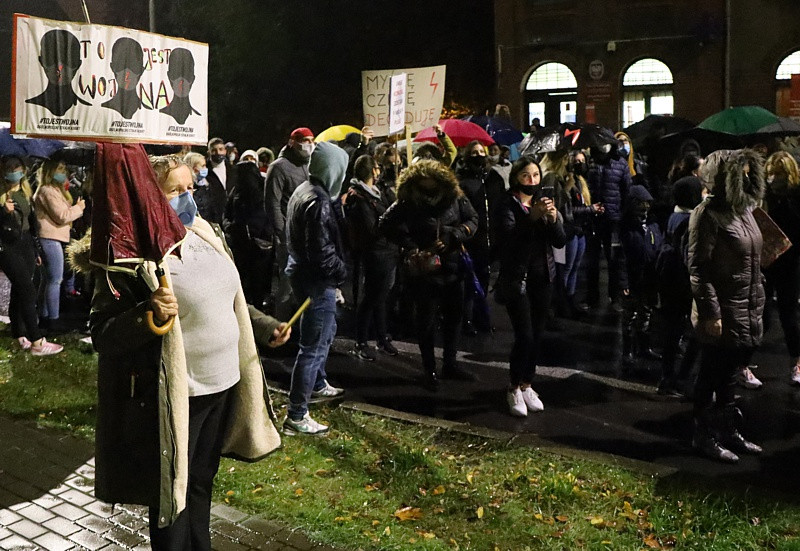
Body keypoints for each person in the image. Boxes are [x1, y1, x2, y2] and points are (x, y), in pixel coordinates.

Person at [86, 154, 291, 550]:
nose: (187, 197)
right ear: (149, 197)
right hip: (181, 397)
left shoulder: (204, 231)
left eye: (189, 187)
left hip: (224, 384)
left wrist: (265, 327)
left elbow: (229, 296)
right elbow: (103, 333)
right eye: (174, 190)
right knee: (172, 498)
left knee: (200, 483)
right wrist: (149, 314)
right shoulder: (129, 254)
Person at [688, 149, 765, 463]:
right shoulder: (706, 214)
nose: (745, 176)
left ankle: (728, 431)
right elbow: (698, 269)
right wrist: (710, 312)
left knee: (730, 374)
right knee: (711, 374)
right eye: (739, 172)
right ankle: (703, 435)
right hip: (722, 308)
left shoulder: (743, 210)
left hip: (745, 304)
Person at [380, 160, 479, 389]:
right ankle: (429, 369)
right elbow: (384, 224)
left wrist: (454, 235)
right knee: (426, 320)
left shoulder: (454, 195)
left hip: (453, 267)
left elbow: (473, 220)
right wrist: (410, 245)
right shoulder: (408, 200)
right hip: (425, 270)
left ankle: (450, 364)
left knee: (454, 317)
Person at [492, 157, 566, 416]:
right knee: (524, 335)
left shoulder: (543, 204)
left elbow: (559, 242)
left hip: (543, 277)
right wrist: (530, 219)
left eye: (536, 175)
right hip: (517, 279)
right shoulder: (507, 204)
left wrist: (554, 219)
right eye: (526, 175)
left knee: (537, 334)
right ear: (516, 178)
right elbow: (508, 242)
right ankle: (513, 387)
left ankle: (527, 384)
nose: (532, 181)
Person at [284, 141, 348, 435]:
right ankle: (296, 415)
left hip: (302, 273)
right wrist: (341, 273)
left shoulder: (306, 190)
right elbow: (322, 252)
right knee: (312, 346)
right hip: (316, 280)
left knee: (324, 333)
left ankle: (319, 383)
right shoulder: (319, 201)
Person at [0, 157, 62, 355]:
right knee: (27, 291)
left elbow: (30, 222)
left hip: (25, 242)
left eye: (17, 169)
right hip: (6, 246)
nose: (14, 173)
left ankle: (19, 333)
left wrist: (36, 250)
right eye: (10, 169)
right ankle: (37, 341)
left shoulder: (25, 192)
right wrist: (2, 212)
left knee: (21, 290)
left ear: (23, 171)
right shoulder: (2, 193)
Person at [344, 155, 399, 360]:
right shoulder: (359, 198)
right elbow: (372, 229)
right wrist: (392, 215)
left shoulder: (377, 192)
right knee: (371, 298)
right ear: (371, 170)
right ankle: (361, 341)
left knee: (381, 298)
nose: (379, 171)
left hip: (388, 251)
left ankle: (382, 338)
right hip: (376, 254)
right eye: (377, 168)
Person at [656, 174, 703, 396]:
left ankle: (667, 377)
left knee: (671, 333)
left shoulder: (673, 217)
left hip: (668, 281)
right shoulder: (690, 221)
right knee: (696, 330)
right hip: (683, 282)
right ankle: (683, 377)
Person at [265, 127, 314, 319]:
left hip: (307, 235)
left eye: (312, 141)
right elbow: (273, 204)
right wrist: (283, 235)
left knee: (305, 285)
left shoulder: (310, 164)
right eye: (305, 141)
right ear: (292, 142)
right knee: (286, 286)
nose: (309, 145)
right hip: (289, 237)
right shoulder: (279, 167)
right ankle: (281, 326)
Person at [33, 158, 86, 333]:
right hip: (49, 238)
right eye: (60, 169)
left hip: (55, 238)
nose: (63, 173)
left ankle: (45, 317)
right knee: (55, 280)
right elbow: (62, 216)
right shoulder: (47, 191)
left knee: (49, 280)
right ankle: (53, 320)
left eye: (64, 169)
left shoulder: (55, 190)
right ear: (50, 171)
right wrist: (78, 208)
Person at [762, 151, 800, 385]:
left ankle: (796, 362)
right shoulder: (766, 196)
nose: (772, 178)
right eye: (770, 174)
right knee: (760, 313)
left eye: (777, 174)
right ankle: (742, 364)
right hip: (767, 260)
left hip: (789, 261)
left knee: (788, 315)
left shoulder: (795, 198)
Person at [619, 185, 663, 369]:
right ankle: (627, 351)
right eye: (640, 203)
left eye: (647, 203)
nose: (644, 207)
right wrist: (623, 281)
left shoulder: (653, 225)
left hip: (649, 279)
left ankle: (644, 347)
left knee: (646, 313)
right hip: (633, 277)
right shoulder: (625, 227)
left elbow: (658, 248)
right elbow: (619, 257)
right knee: (630, 315)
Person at [585, 142, 631, 310]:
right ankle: (592, 297)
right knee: (592, 259)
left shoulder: (620, 162)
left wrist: (620, 212)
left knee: (614, 259)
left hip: (613, 219)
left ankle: (615, 296)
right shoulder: (590, 162)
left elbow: (626, 190)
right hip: (592, 218)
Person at [224, 149, 272, 310]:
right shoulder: (236, 191)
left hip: (259, 247)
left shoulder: (264, 191)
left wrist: (262, 233)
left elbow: (269, 215)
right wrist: (231, 228)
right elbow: (227, 213)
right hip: (241, 245)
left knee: (257, 284)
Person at [558, 150, 601, 317]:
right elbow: (569, 210)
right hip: (570, 229)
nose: (579, 164)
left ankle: (570, 299)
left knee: (575, 267)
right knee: (567, 268)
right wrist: (590, 209)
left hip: (581, 229)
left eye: (582, 160)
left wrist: (592, 209)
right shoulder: (566, 182)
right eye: (576, 160)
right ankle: (562, 303)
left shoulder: (581, 181)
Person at [455, 141, 492, 334]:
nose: (479, 155)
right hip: (471, 238)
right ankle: (466, 320)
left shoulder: (491, 178)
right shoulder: (461, 181)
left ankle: (481, 317)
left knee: (484, 279)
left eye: (481, 152)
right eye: (474, 152)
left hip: (488, 238)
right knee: (469, 281)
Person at [25, 29, 90, 117]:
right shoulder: (29, 108)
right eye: (51, 59)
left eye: (68, 60)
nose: (60, 67)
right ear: (41, 61)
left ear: (78, 64)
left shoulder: (87, 110)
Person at [101, 37, 144, 120]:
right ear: (112, 67)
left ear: (141, 70)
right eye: (120, 65)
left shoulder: (147, 112)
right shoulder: (104, 109)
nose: (127, 74)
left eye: (133, 66)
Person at [196, 138, 232, 225]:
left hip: (231, 216)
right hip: (214, 216)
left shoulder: (233, 169)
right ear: (209, 152)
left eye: (220, 149)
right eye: (214, 150)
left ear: (225, 151)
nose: (218, 153)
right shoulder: (204, 171)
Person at [160, 48, 201, 125]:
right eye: (176, 74)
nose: (181, 82)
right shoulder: (160, 116)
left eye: (186, 76)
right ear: (169, 76)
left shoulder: (198, 118)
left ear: (192, 78)